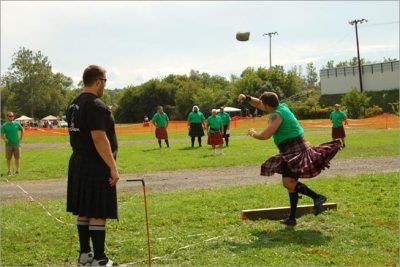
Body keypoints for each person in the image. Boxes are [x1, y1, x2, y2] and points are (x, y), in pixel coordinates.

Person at [238, 92, 341, 227]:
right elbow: (259, 103)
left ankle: (317, 197)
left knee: (289, 182)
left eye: (263, 105)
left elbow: (265, 135)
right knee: (290, 184)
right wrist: (247, 98)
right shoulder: (282, 107)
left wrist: (253, 133)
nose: (261, 106)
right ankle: (292, 218)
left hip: (294, 150)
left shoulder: (278, 115)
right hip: (292, 149)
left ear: (268, 105)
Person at [66, 65, 119, 266]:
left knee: (85, 210)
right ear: (98, 81)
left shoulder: (74, 104)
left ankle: (85, 255)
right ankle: (99, 259)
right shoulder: (95, 104)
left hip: (79, 161)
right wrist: (113, 167)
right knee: (97, 210)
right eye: (105, 81)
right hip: (96, 163)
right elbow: (99, 138)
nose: (105, 85)